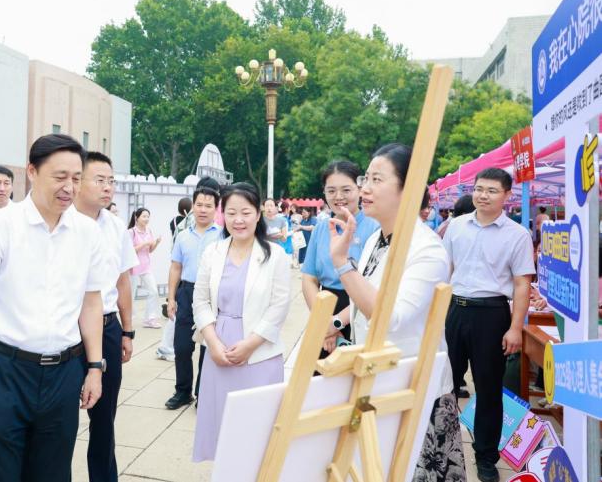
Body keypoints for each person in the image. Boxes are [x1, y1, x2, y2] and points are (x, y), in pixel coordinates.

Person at [0, 134, 107, 482]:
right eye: (60, 176)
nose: (69, 187)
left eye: (76, 178)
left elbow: (91, 301)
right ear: (32, 172)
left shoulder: (87, 232)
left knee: (53, 472)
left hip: (64, 374)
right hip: (3, 372)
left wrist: (95, 368)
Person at [327, 143, 465, 481]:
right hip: (377, 381)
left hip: (413, 389)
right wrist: (337, 322)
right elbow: (367, 296)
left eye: (377, 179)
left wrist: (343, 264)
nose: (365, 188)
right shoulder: (376, 238)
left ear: (409, 189)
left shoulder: (427, 250)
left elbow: (389, 317)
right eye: (366, 178)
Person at [443, 167, 534, 482]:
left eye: (492, 190)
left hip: (492, 315)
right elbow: (444, 270)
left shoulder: (517, 235)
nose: (483, 195)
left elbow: (522, 284)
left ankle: (485, 457)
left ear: (507, 195)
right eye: (479, 189)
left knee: (489, 390)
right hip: (455, 310)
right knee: (443, 385)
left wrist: (515, 327)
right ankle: (440, 448)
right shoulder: (456, 227)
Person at [192, 182, 291, 461]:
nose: (238, 220)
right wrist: (212, 343)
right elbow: (200, 300)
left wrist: (250, 344)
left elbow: (279, 305)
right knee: (222, 427)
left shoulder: (275, 255)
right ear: (223, 215)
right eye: (231, 213)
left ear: (258, 214)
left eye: (246, 212)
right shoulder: (213, 252)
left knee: (257, 431)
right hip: (219, 349)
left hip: (259, 351)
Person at [75, 151, 138, 482]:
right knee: (59, 420)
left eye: (111, 181)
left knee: (104, 419)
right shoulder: (62, 222)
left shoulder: (115, 226)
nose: (108, 187)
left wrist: (127, 331)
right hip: (68, 331)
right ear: (78, 180)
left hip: (108, 326)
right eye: (99, 180)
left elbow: (122, 280)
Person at [301, 161, 379, 352]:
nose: (338, 197)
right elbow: (309, 278)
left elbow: (376, 285)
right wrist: (323, 322)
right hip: (323, 310)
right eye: (331, 191)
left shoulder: (375, 227)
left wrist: (336, 323)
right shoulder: (320, 229)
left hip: (361, 310)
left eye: (346, 190)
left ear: (359, 189)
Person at [165, 183, 222, 410]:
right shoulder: (182, 236)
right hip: (186, 292)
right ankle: (183, 392)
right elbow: (175, 267)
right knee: (181, 347)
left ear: (216, 209)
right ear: (193, 207)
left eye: (208, 206)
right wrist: (171, 298)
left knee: (207, 347)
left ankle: (202, 394)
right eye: (199, 205)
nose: (203, 209)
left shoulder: (223, 235)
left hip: (211, 294)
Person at [157, 197, 194, 361]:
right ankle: (165, 347)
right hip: (181, 268)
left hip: (181, 266)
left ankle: (166, 346)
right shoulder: (183, 223)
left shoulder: (178, 222)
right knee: (177, 314)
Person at [128, 208, 162, 328]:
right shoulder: (131, 232)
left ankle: (150, 319)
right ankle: (128, 319)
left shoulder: (149, 231)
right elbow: (129, 250)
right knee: (130, 295)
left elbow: (150, 250)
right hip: (133, 266)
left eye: (148, 216)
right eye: (144, 216)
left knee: (153, 291)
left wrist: (156, 242)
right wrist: (144, 244)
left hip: (146, 266)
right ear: (136, 218)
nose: (146, 219)